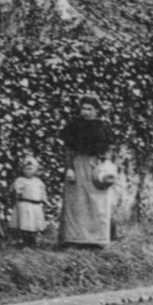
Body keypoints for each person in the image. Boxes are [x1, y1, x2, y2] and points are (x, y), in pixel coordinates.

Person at [58, 94, 115, 248]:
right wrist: (69, 168)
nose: (85, 112)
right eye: (83, 108)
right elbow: (68, 149)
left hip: (96, 167)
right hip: (77, 164)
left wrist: (106, 165)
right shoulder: (74, 126)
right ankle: (74, 239)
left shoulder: (103, 126)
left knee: (97, 201)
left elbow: (109, 149)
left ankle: (97, 240)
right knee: (76, 202)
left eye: (89, 109)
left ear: (96, 110)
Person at [10, 156, 48, 248]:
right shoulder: (20, 180)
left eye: (31, 169)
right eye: (26, 169)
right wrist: (16, 191)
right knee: (25, 224)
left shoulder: (38, 181)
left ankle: (34, 241)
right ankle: (25, 242)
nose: (28, 171)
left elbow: (42, 192)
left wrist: (45, 200)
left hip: (36, 206)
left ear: (36, 170)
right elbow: (15, 190)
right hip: (24, 205)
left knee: (34, 224)